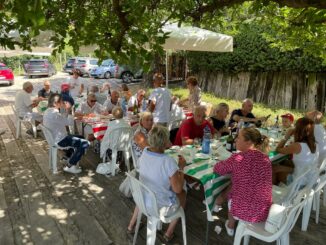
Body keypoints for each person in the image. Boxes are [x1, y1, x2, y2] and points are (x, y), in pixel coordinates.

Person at [127, 125, 186, 243]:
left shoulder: (145, 152)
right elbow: (177, 189)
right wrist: (181, 169)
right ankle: (169, 233)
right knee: (183, 193)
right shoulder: (168, 161)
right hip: (159, 207)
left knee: (160, 185)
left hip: (143, 199)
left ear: (150, 139)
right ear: (165, 142)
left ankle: (131, 225)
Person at [213, 128, 272, 236]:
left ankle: (230, 225)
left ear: (248, 142)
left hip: (243, 211)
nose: (235, 140)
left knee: (233, 191)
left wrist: (222, 162)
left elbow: (218, 169)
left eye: (239, 138)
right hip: (263, 210)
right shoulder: (265, 158)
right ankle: (220, 203)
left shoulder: (238, 157)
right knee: (238, 185)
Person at [43, 93, 90, 174]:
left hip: (54, 138)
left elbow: (62, 119)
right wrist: (70, 110)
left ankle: (67, 156)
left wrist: (67, 113)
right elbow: (70, 122)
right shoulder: (55, 114)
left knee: (81, 137)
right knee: (86, 143)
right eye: (60, 101)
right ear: (55, 103)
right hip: (60, 139)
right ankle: (70, 165)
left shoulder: (48, 111)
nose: (62, 103)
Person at [273, 117, 319, 185]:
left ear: (298, 129)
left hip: (300, 183)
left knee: (272, 169)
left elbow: (278, 149)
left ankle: (272, 191)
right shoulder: (315, 143)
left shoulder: (297, 146)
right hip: (310, 178)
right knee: (284, 163)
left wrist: (286, 136)